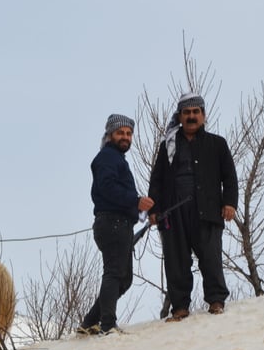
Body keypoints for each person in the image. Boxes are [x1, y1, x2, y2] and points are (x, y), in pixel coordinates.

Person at [148, 92, 238, 321]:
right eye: (186, 112)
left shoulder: (217, 144)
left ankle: (216, 301)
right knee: (176, 260)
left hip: (207, 210)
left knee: (210, 257)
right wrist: (153, 210)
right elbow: (156, 180)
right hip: (173, 213)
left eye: (196, 112)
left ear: (203, 116)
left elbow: (229, 176)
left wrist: (229, 203)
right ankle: (179, 307)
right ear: (179, 116)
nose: (191, 116)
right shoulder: (167, 146)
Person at [77, 114, 154, 336]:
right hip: (112, 222)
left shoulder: (116, 158)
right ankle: (108, 325)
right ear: (110, 134)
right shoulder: (108, 157)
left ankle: (90, 322)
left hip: (119, 223)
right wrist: (135, 201)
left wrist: (138, 208)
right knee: (114, 273)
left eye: (129, 134)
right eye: (120, 132)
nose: (125, 137)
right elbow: (107, 187)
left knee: (124, 279)